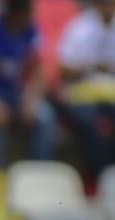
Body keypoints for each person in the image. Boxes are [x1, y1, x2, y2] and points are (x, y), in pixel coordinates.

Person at [0, 0, 57, 166]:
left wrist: (31, 99)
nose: (31, 17)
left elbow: (39, 70)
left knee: (45, 117)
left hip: (17, 92)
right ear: (15, 13)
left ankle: (38, 172)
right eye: (28, 13)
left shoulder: (31, 31)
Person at [57, 0, 115, 178]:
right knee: (89, 124)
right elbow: (64, 70)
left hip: (111, 93)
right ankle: (97, 177)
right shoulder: (79, 27)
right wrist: (90, 66)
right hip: (82, 93)